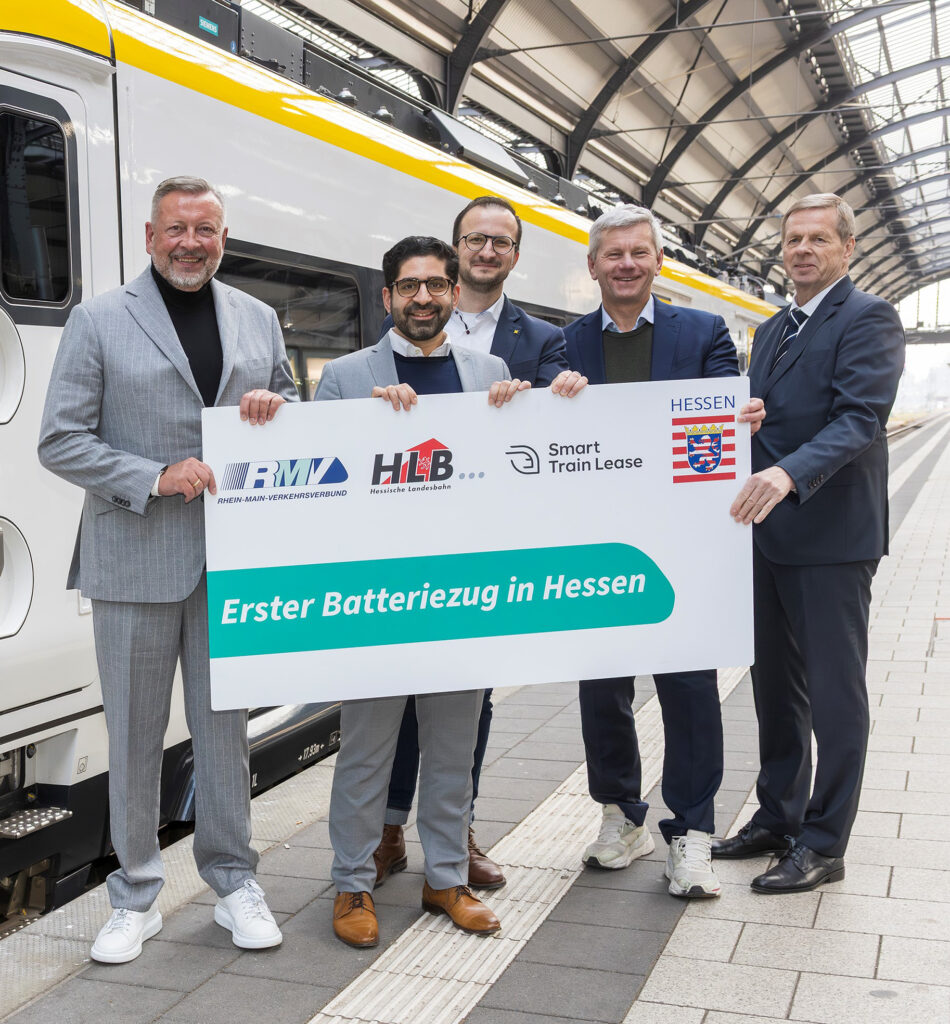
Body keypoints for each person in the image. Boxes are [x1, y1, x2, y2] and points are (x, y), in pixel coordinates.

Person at [38, 176, 293, 963]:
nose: (190, 243)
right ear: (150, 237)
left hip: (231, 561)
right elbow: (60, 439)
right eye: (176, 229)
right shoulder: (99, 319)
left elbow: (290, 408)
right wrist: (152, 476)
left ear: (223, 238)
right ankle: (134, 895)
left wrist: (277, 410)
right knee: (135, 738)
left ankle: (234, 881)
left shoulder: (258, 318)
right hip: (133, 559)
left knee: (226, 736)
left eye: (205, 230)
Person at [317, 234, 533, 947]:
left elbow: (510, 473)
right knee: (366, 751)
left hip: (462, 592)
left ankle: (446, 879)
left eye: (436, 285)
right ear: (387, 297)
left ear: (453, 293)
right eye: (408, 286)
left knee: (452, 749)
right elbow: (318, 481)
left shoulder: (490, 371)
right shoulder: (346, 378)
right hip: (378, 593)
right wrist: (363, 428)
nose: (423, 298)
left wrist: (524, 410)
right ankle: (352, 884)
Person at [375, 196, 581, 891]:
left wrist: (562, 394)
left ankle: (455, 830)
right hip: (398, 544)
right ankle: (387, 828)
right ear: (456, 248)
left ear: (515, 254)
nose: (487, 251)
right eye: (475, 239)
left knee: (471, 700)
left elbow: (554, 431)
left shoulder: (541, 339)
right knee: (393, 695)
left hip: (477, 547)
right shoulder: (405, 317)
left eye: (501, 241)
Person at [565, 205, 765, 899]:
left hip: (683, 541)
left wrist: (741, 416)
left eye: (638, 252)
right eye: (613, 253)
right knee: (602, 688)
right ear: (593, 265)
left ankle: (693, 833)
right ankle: (622, 816)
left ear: (658, 262)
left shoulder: (704, 333)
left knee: (690, 690)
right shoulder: (565, 344)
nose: (626, 264)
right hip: (599, 543)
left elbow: (720, 416)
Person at [713, 194, 905, 893]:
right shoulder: (771, 329)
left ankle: (825, 843)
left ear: (847, 248)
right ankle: (778, 817)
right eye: (793, 238)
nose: (802, 250)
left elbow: (860, 418)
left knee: (833, 692)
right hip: (768, 536)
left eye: (819, 239)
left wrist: (787, 472)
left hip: (831, 536)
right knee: (776, 689)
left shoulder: (869, 317)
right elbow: (777, 413)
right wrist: (749, 419)